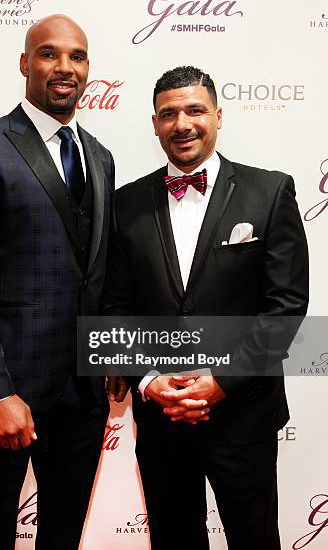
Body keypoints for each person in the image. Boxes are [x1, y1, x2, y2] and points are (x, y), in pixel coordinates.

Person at [104, 66, 308, 550]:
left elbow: (286, 307)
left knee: (255, 540)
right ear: (154, 123)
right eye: (169, 113)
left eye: (195, 110)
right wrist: (151, 382)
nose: (183, 123)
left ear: (217, 115)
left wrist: (220, 382)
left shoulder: (270, 191)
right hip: (161, 419)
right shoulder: (124, 204)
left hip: (245, 415)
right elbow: (114, 308)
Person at [0, 14, 114, 550]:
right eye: (49, 53)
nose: (65, 67)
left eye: (77, 57)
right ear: (25, 63)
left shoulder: (101, 157)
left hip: (83, 395)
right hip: (9, 391)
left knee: (63, 531)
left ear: (88, 70)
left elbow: (97, 271)